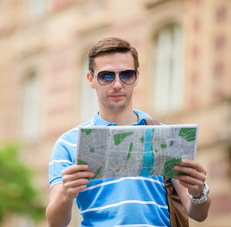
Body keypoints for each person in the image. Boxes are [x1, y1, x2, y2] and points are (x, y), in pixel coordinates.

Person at [46, 37, 211, 226]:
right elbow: (55, 223)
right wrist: (67, 194)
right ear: (91, 79)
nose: (117, 84)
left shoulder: (166, 136)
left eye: (126, 75)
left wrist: (198, 192)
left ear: (137, 77)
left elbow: (199, 214)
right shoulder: (69, 143)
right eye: (106, 76)